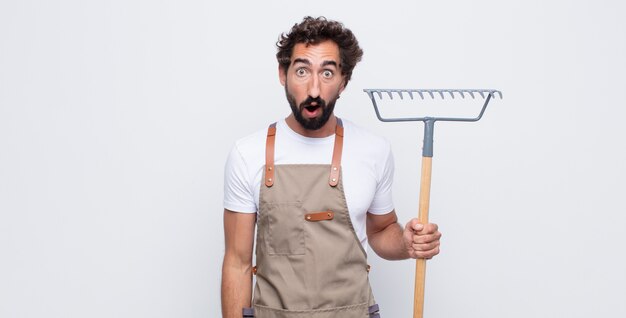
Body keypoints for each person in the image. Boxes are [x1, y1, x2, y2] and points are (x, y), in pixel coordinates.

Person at [221, 16, 441, 318]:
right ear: (283, 74)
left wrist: (406, 242)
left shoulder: (373, 150)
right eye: (302, 71)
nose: (314, 89)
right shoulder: (248, 154)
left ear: (344, 81)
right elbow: (237, 262)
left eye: (327, 72)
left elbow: (380, 231)